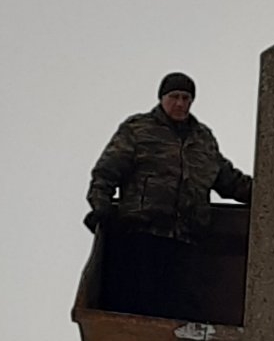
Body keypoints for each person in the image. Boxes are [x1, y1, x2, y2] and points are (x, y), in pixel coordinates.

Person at [85, 72, 252, 318]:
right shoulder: (138, 129)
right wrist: (101, 206)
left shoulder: (202, 140)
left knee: (178, 314)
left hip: (186, 241)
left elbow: (228, 180)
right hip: (142, 235)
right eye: (175, 97)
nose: (180, 103)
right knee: (137, 309)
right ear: (162, 98)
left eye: (186, 98)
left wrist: (273, 193)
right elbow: (107, 172)